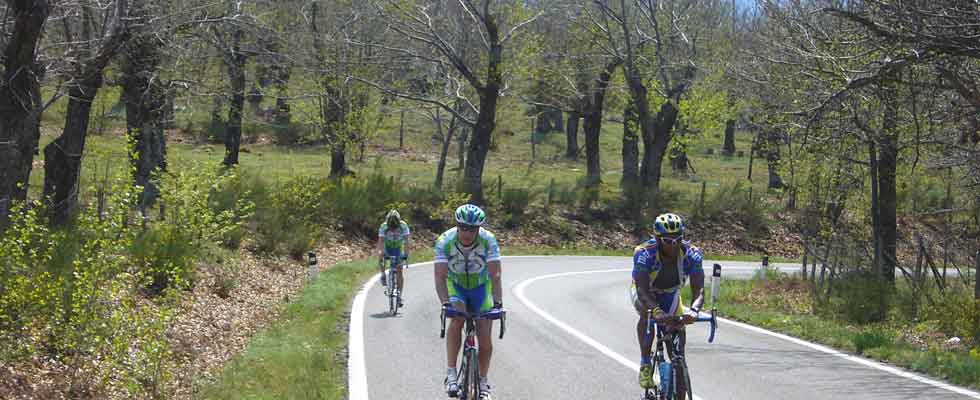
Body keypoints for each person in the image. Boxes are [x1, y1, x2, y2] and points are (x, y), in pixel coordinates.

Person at [631, 213, 705, 395]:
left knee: (678, 350)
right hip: (646, 292)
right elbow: (642, 290)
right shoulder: (644, 253)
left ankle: (679, 379)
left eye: (678, 239)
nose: (674, 245)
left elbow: (699, 290)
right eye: (668, 240)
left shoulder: (692, 254)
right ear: (657, 238)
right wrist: (656, 310)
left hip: (670, 293)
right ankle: (646, 362)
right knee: (647, 314)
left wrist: (695, 310)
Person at [434, 204, 502, 400]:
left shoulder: (488, 240)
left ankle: (482, 381)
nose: (467, 232)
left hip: (481, 288)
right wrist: (445, 303)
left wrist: (497, 304)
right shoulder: (445, 241)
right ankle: (451, 373)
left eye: (472, 229)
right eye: (463, 227)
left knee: (485, 337)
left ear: (479, 229)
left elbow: (495, 274)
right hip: (456, 286)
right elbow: (439, 277)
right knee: (457, 319)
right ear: (457, 226)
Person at [378, 209, 410, 307]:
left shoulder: (403, 226)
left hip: (397, 248)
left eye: (395, 228)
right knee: (380, 254)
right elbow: (381, 242)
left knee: (399, 270)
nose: (393, 230)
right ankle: (383, 274)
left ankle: (399, 296)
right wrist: (383, 253)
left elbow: (406, 241)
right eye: (391, 228)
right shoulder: (383, 226)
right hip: (387, 246)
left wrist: (406, 255)